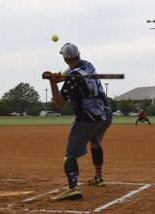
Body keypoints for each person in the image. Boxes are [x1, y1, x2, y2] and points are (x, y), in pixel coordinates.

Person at [42, 43, 112, 200]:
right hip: (105, 115)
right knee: (95, 143)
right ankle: (99, 178)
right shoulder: (87, 65)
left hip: (87, 118)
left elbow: (59, 103)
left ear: (65, 58)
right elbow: (64, 74)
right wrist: (53, 75)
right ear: (78, 54)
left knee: (70, 156)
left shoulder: (73, 77)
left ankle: (73, 188)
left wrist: (52, 83)